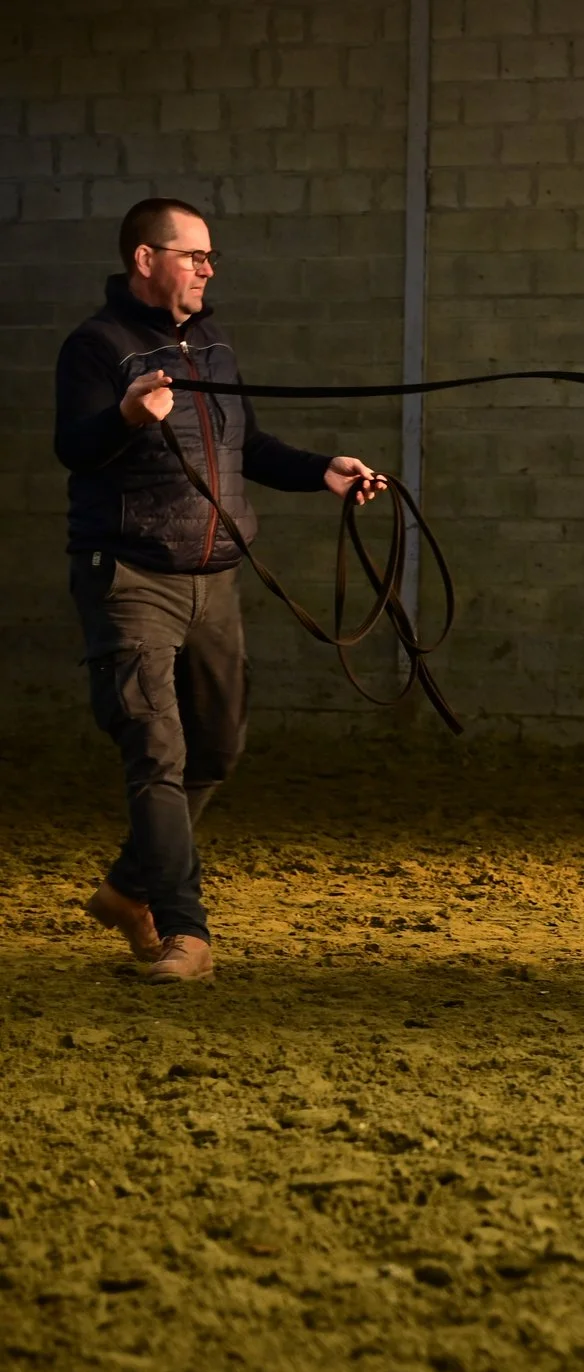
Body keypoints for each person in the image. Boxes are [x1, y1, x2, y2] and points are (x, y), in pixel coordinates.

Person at [54, 197, 386, 984]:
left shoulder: (213, 346)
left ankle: (128, 888)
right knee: (156, 752)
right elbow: (74, 446)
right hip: (130, 577)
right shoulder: (96, 348)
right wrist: (129, 419)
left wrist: (322, 473)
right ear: (146, 259)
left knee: (218, 745)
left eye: (211, 258)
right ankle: (185, 933)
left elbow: (251, 446)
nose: (208, 268)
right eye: (194, 254)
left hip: (216, 579)